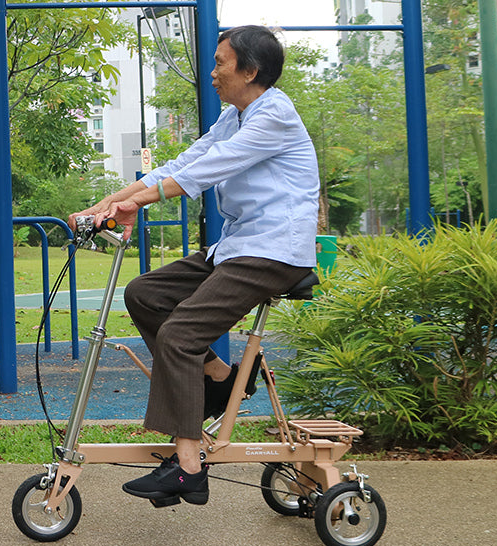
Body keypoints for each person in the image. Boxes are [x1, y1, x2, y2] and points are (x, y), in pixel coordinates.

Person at [68, 25, 319, 506]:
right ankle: (221, 380)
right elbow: (182, 163)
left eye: (221, 63)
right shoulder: (235, 115)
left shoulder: (275, 116)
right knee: (145, 294)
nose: (213, 73)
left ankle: (187, 469)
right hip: (238, 246)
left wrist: (138, 203)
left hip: (273, 251)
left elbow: (205, 172)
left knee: (181, 335)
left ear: (250, 70)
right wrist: (105, 204)